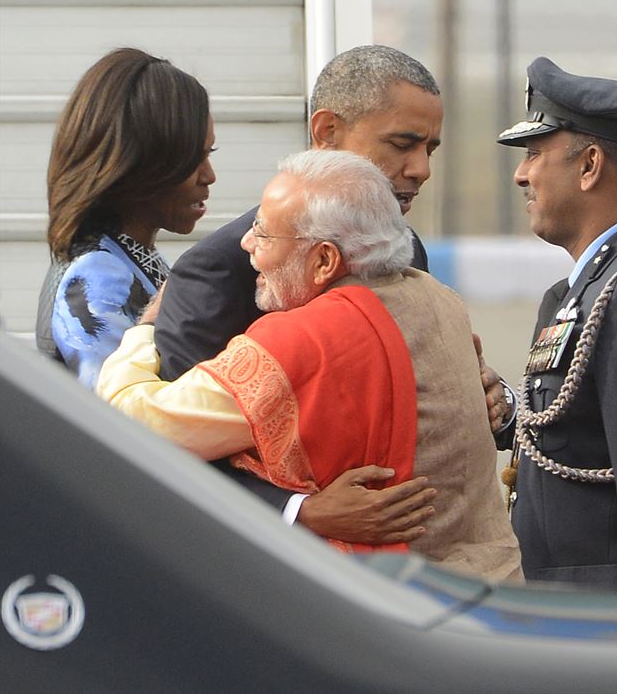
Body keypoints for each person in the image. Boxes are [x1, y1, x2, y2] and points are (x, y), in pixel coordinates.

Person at [98, 149, 522, 578]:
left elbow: (134, 424)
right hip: (492, 592)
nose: (247, 244)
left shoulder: (301, 339)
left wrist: (145, 331)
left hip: (390, 613)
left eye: (263, 234)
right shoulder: (440, 300)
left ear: (323, 261)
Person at [153, 44, 513, 544]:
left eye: (430, 149)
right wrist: (299, 511)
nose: (421, 169)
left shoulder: (409, 255)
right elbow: (171, 443)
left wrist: (490, 401)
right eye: (402, 143)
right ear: (327, 133)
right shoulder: (218, 271)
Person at [498, 57, 617, 590]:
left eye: (534, 154)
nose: (520, 174)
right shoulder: (582, 289)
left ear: (590, 165)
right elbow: (584, 438)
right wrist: (511, 413)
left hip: (609, 629)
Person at [35, 47, 215, 389]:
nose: (209, 175)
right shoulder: (96, 278)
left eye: (209, 154)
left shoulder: (126, 257)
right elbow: (124, 418)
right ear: (141, 163)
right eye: (194, 158)